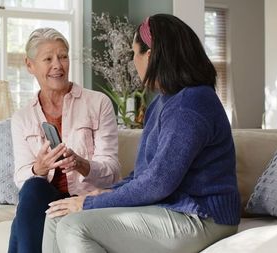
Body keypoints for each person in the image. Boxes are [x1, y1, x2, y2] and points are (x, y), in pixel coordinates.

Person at [42, 14, 241, 253]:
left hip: (202, 216)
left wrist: (92, 202)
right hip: (170, 207)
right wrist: (108, 192)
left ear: (150, 55)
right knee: (56, 216)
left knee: (74, 227)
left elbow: (158, 182)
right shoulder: (162, 103)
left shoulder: (191, 104)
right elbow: (144, 174)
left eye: (133, 53)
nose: (132, 61)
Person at [8, 27, 121, 253]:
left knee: (21, 222)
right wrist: (38, 168)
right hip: (44, 198)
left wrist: (82, 164)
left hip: (86, 197)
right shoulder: (22, 118)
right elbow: (21, 178)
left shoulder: (98, 103)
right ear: (30, 65)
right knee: (32, 188)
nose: (58, 65)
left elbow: (113, 172)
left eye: (63, 57)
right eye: (48, 59)